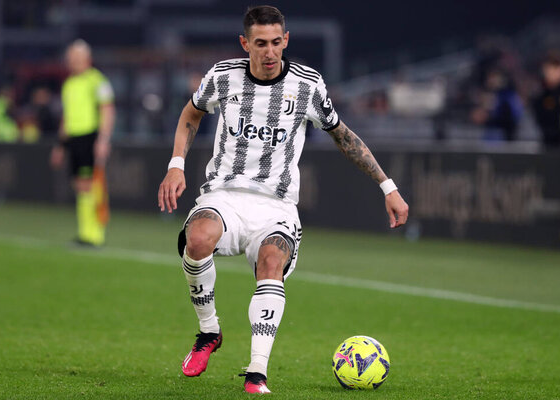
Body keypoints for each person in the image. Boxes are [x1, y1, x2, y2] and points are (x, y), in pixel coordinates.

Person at [157, 6, 408, 394]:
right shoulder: (222, 76)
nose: (270, 52)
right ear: (246, 44)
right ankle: (209, 331)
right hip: (225, 193)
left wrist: (387, 186)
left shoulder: (308, 85)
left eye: (277, 42)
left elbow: (342, 135)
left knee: (271, 262)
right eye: (260, 44)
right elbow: (191, 113)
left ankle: (257, 372)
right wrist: (176, 164)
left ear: (285, 40)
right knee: (198, 238)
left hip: (276, 205)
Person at [50, 40, 115, 246]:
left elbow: (107, 110)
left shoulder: (97, 81)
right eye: (70, 58)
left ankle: (94, 234)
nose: (73, 62)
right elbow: (66, 117)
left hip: (90, 136)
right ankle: (84, 233)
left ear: (87, 58)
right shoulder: (69, 84)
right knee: (79, 185)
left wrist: (103, 139)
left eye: (77, 58)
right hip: (74, 139)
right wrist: (60, 145)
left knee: (90, 184)